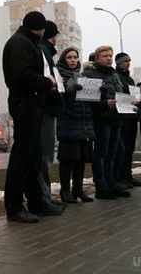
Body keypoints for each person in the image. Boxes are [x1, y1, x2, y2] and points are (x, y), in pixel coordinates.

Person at [2, 11, 56, 223]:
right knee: (22, 156)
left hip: (31, 103)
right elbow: (21, 75)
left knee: (34, 156)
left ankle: (36, 201)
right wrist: (47, 82)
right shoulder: (21, 43)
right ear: (41, 29)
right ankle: (14, 207)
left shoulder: (26, 41)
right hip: (25, 103)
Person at [27, 20, 65, 215]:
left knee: (45, 156)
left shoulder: (45, 51)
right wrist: (57, 95)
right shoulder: (43, 50)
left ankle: (45, 196)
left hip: (47, 108)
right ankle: (42, 198)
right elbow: (47, 81)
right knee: (44, 156)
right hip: (45, 109)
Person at [82, 46, 129, 199]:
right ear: (97, 58)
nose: (109, 58)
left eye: (110, 55)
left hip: (116, 117)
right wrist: (104, 103)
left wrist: (128, 101)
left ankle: (111, 182)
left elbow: (120, 92)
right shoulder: (89, 74)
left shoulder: (114, 73)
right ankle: (101, 186)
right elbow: (86, 98)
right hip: (101, 118)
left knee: (112, 153)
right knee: (101, 153)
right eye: (105, 55)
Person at [55, 47, 95, 203]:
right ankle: (65, 191)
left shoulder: (83, 76)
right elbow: (57, 97)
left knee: (81, 159)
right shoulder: (58, 75)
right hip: (68, 123)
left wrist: (98, 92)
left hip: (84, 123)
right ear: (63, 59)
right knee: (67, 159)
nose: (72, 60)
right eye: (69, 57)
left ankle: (78, 189)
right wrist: (68, 90)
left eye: (75, 57)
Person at [113, 52, 141, 187]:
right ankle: (120, 176)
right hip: (122, 116)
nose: (128, 63)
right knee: (123, 148)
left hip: (131, 116)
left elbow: (134, 95)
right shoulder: (116, 76)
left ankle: (127, 175)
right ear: (119, 62)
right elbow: (121, 91)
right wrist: (135, 90)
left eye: (129, 61)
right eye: (126, 61)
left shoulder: (129, 78)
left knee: (130, 148)